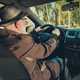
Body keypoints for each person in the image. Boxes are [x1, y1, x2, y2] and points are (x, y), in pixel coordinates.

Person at [0, 4, 65, 80]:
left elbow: (25, 45)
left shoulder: (5, 38)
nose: (26, 23)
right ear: (18, 23)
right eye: (24, 20)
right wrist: (55, 37)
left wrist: (34, 33)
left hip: (13, 73)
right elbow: (45, 50)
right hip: (31, 75)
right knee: (60, 61)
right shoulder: (22, 42)